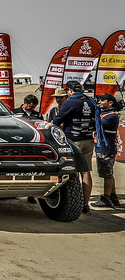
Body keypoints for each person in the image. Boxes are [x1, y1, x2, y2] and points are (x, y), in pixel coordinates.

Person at [52, 80, 96, 213]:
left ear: (70, 91)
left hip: (73, 140)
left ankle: (74, 202)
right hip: (88, 139)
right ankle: (85, 204)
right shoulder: (91, 102)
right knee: (86, 171)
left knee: (72, 171)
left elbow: (57, 121)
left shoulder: (69, 102)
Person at [91, 93, 120, 208]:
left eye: (102, 100)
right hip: (104, 147)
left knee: (107, 174)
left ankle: (106, 198)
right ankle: (113, 196)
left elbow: (97, 125)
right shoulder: (105, 114)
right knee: (109, 173)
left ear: (110, 103)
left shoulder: (111, 116)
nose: (100, 102)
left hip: (106, 149)